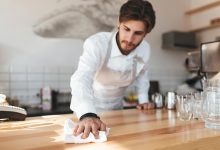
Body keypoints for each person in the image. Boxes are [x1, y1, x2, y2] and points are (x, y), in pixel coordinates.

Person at [70, 0, 156, 139]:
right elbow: (82, 77)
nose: (129, 39)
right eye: (126, 29)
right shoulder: (97, 43)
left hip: (118, 110)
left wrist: (143, 100)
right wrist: (87, 114)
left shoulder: (145, 49)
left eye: (138, 33)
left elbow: (142, 75)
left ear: (146, 33)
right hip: (90, 109)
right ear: (118, 23)